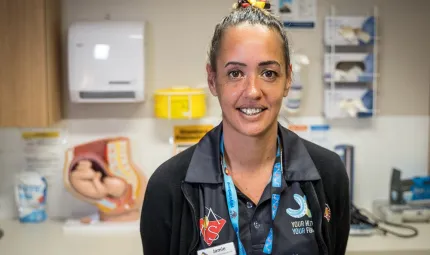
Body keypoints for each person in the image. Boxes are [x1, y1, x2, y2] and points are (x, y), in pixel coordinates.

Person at [140, 1, 350, 254]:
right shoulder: (169, 186)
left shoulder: (326, 174)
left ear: (288, 80)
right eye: (235, 73)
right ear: (212, 80)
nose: (252, 91)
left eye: (269, 73)